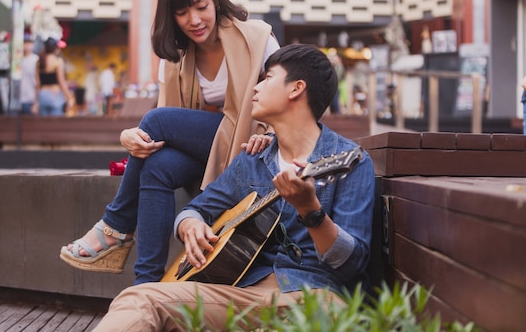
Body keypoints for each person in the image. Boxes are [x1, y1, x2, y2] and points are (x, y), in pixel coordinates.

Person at [90, 44, 376, 332]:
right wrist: (189, 225)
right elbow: (195, 210)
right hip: (240, 293)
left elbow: (352, 265)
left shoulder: (350, 162)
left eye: (268, 78)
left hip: (312, 297)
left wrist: (311, 211)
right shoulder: (252, 160)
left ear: (296, 89)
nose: (256, 88)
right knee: (139, 298)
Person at [60, 0, 280, 284]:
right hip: (211, 153)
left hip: (251, 147)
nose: (194, 19)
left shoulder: (259, 39)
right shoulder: (174, 58)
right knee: (157, 164)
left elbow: (290, 95)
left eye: (202, 6)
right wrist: (128, 136)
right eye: (181, 12)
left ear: (215, 1)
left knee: (155, 122)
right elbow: (167, 131)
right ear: (171, 16)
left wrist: (273, 133)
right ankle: (147, 285)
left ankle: (116, 227)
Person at [32, 37, 75, 116]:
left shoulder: (39, 62)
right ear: (55, 48)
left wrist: (36, 101)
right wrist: (69, 97)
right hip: (55, 94)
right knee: (55, 124)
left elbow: (37, 83)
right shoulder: (57, 61)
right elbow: (61, 81)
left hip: (42, 94)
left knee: (43, 124)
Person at [19, 33, 39, 115]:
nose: (27, 45)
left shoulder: (36, 60)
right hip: (17, 99)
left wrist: (36, 102)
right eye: (25, 43)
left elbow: (38, 82)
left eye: (29, 43)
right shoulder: (17, 60)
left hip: (31, 99)